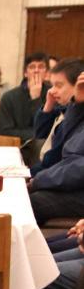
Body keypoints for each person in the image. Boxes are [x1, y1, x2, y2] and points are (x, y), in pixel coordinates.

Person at [27, 72, 84, 224]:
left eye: (59, 85)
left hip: (77, 190)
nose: (52, 91)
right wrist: (78, 102)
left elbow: (77, 169)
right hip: (67, 180)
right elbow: (63, 142)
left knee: (28, 203)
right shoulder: (75, 112)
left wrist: (40, 180)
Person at [32, 58, 84, 174]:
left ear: (79, 86)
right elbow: (40, 133)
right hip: (46, 169)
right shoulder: (61, 109)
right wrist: (48, 105)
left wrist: (33, 174)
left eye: (59, 86)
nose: (52, 91)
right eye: (52, 85)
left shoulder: (76, 117)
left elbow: (55, 157)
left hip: (51, 172)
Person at [0, 52, 49, 163]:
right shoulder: (9, 97)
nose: (36, 70)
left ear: (47, 73)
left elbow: (48, 128)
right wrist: (35, 135)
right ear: (25, 73)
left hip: (45, 147)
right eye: (32, 67)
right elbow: (5, 131)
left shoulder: (53, 94)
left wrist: (36, 99)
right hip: (16, 146)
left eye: (41, 67)